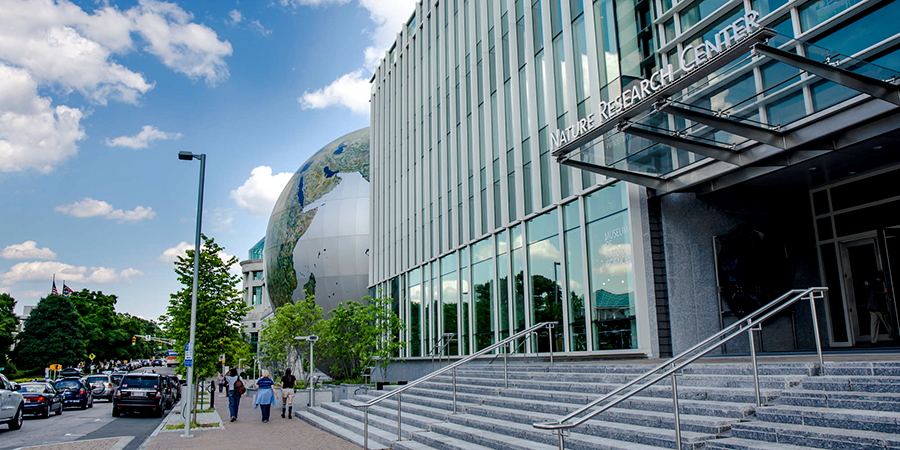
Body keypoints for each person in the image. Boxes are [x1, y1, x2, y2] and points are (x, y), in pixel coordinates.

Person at [868, 271, 894, 344]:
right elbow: (876, 293)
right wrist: (884, 292)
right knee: (886, 322)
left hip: (872, 307)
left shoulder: (871, 283)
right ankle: (893, 335)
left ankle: (873, 340)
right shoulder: (877, 283)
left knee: (873, 324)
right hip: (878, 307)